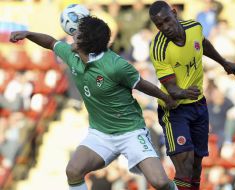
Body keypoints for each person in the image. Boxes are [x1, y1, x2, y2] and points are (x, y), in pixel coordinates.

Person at [10, 16, 178, 190]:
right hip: (100, 134)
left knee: (160, 182)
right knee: (73, 171)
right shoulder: (71, 55)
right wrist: (28, 34)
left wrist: (167, 99)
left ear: (86, 40)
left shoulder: (115, 65)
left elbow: (143, 85)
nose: (72, 34)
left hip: (130, 132)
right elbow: (51, 42)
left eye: (77, 33)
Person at [148, 1, 235, 190]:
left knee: (197, 166)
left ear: (174, 14)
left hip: (198, 105)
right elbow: (172, 89)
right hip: (175, 109)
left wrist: (224, 62)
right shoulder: (158, 48)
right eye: (159, 25)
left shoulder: (194, 27)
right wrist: (184, 93)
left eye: (167, 20)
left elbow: (203, 43)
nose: (165, 27)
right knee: (184, 165)